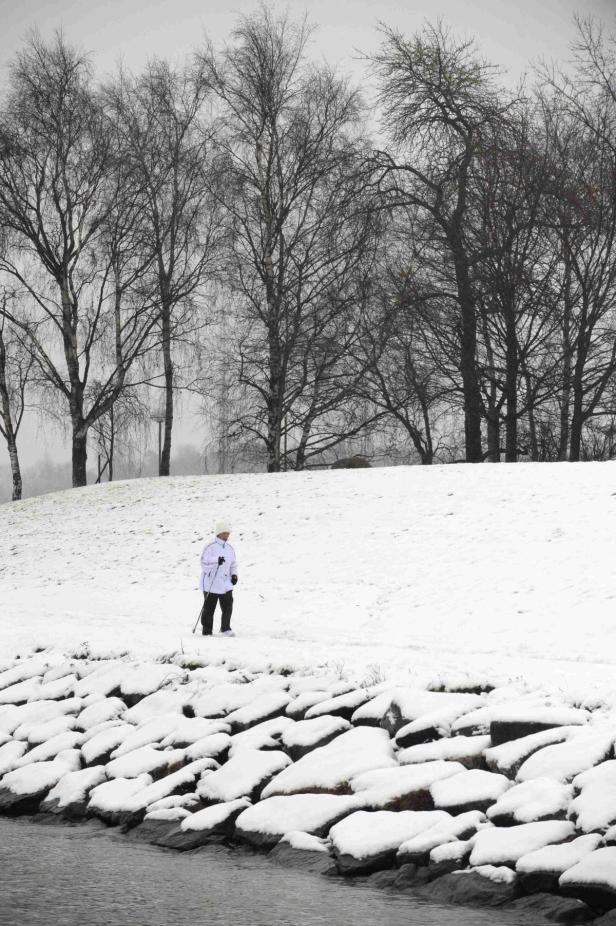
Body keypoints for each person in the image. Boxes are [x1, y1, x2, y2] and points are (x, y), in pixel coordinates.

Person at [199, 520, 238, 636]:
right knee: (209, 608)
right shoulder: (210, 546)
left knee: (228, 606)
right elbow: (203, 563)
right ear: (219, 533)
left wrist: (234, 575)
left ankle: (225, 628)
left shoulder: (230, 548)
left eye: (228, 533)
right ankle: (207, 630)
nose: (227, 535)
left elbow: (233, 564)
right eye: (225, 533)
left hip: (225, 583)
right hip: (211, 583)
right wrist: (216, 560)